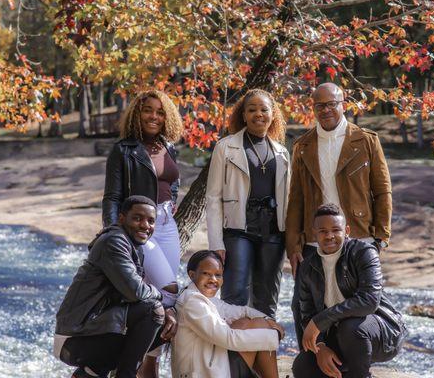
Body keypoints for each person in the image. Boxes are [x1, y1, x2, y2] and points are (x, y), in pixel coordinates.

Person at [286, 82, 392, 347]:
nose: (326, 110)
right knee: (302, 307)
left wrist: (380, 237)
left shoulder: (366, 140)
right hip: (313, 241)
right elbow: (296, 199)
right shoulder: (303, 145)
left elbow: (382, 191)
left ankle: (355, 367)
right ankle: (310, 365)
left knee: (358, 309)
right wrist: (293, 245)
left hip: (358, 235)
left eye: (331, 104)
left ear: (343, 103)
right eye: (319, 106)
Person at [102, 90, 183, 376]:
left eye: (160, 112)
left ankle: (151, 364)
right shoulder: (123, 150)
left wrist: (171, 202)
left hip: (167, 225)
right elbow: (112, 197)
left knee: (162, 296)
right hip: (139, 230)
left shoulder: (169, 146)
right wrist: (114, 235)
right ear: (138, 113)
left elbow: (172, 181)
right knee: (167, 291)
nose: (154, 116)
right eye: (148, 110)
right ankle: (134, 363)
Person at [54, 196, 178, 378]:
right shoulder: (114, 242)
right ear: (121, 218)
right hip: (76, 335)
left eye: (151, 221)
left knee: (169, 320)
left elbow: (133, 294)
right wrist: (159, 294)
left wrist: (168, 309)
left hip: (98, 329)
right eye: (137, 218)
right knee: (153, 310)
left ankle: (89, 373)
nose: (145, 225)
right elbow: (136, 291)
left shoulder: (134, 246)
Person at [292, 204, 406, 378]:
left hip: (381, 333)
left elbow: (369, 301)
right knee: (303, 365)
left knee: (350, 327)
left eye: (335, 230)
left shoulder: (363, 252)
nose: (329, 236)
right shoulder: (308, 267)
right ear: (314, 234)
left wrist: (320, 320)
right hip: (339, 337)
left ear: (346, 231)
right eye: (323, 231)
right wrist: (320, 346)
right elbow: (306, 313)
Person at [205, 88, 290, 318]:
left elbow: (287, 198)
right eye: (252, 110)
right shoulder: (226, 147)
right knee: (234, 296)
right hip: (237, 230)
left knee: (267, 300)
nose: (258, 114)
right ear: (243, 114)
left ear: (273, 114)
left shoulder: (282, 152)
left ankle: (264, 351)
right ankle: (232, 353)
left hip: (273, 232)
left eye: (264, 109)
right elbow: (213, 198)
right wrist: (216, 242)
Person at [172, 250, 285, 378]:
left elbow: (242, 311)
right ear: (192, 275)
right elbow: (228, 338)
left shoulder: (204, 298)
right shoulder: (192, 302)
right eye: (206, 274)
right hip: (202, 374)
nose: (213, 280)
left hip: (211, 367)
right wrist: (273, 334)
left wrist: (268, 320)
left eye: (218, 275)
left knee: (255, 321)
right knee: (260, 326)